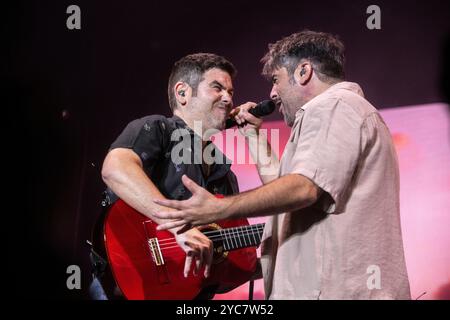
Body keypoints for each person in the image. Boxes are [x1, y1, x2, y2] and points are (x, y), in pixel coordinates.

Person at [153, 30, 412, 299]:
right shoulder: (341, 111)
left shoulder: (333, 106)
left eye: (276, 80)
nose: (273, 93)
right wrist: (253, 136)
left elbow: (302, 189)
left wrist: (216, 208)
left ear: (303, 72)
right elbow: (291, 187)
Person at [92, 52, 246, 299]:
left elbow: (218, 275)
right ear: (182, 92)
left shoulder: (225, 173)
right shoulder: (157, 128)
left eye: (231, 92)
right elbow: (115, 169)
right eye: (217, 88)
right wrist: (179, 228)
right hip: (125, 285)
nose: (228, 98)